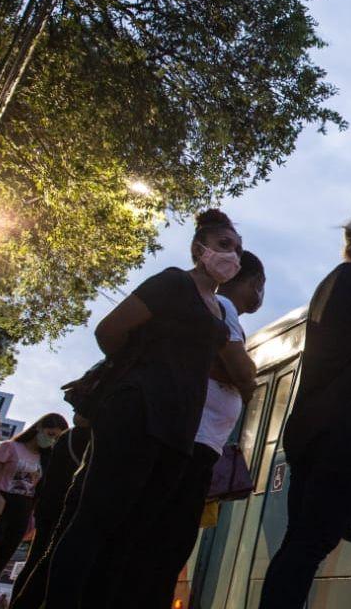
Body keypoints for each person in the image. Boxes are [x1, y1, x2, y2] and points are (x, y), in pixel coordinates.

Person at [43, 209, 240, 608]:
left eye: (237, 250)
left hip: (178, 431)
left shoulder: (220, 311)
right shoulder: (172, 283)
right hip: (136, 414)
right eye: (224, 245)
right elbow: (109, 331)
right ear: (198, 248)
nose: (232, 256)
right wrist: (143, 377)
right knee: (96, 519)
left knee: (134, 531)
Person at [260, 205, 351, 608]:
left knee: (299, 539)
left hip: (308, 428)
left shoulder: (328, 285)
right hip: (349, 429)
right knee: (314, 542)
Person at [120, 250, 264, 606]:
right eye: (260, 286)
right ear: (249, 282)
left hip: (195, 442)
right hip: (193, 443)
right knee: (168, 543)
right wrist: (245, 380)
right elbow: (244, 374)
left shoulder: (218, 310)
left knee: (166, 541)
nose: (261, 295)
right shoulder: (223, 309)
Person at [0, 413, 68, 608]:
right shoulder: (10, 447)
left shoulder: (45, 459)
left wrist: (31, 517)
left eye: (56, 438)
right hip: (0, 507)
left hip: (23, 512)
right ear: (39, 427)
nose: (51, 440)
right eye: (50, 433)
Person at [8, 423, 90, 609]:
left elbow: (47, 476)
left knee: (36, 561)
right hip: (68, 511)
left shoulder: (66, 437)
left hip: (49, 509)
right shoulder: (92, 436)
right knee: (53, 564)